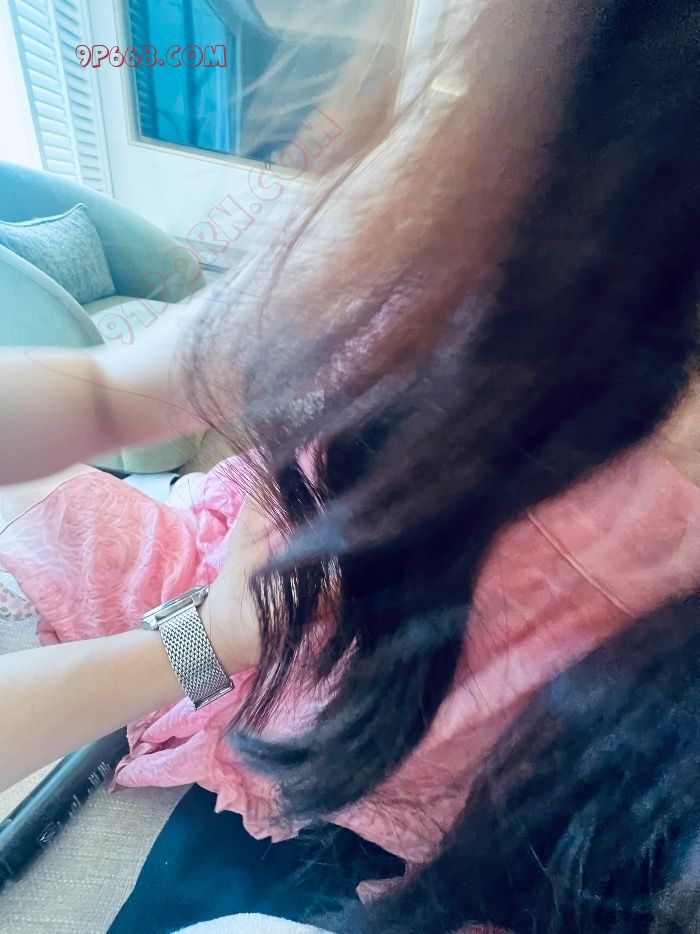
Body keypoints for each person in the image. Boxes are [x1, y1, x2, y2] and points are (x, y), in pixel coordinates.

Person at [1, 0, 699, 931]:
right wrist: (209, 637)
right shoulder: (434, 201)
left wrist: (210, 640)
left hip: (435, 786)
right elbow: (112, 393)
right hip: (260, 630)